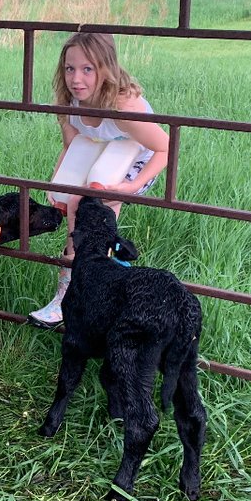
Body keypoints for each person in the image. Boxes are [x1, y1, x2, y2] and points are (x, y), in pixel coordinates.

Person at [29, 32, 170, 328]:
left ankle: (84, 299)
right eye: (70, 68)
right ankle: (77, 294)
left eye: (87, 69)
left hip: (136, 161)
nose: (76, 79)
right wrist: (57, 185)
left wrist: (130, 187)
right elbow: (71, 146)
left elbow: (165, 148)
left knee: (90, 209)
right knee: (68, 199)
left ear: (106, 69)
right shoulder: (69, 103)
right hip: (99, 149)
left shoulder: (123, 110)